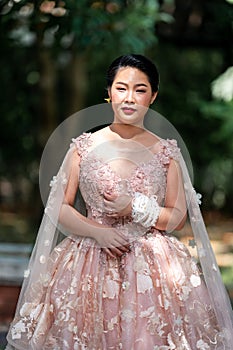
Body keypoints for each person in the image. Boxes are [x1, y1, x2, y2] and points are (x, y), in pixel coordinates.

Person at [5, 54, 233, 349]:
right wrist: (97, 232)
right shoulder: (83, 147)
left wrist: (135, 207)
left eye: (140, 90)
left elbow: (176, 217)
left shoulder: (166, 153)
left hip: (152, 268)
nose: (130, 98)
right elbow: (58, 206)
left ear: (153, 97)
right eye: (121, 88)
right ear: (109, 93)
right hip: (87, 261)